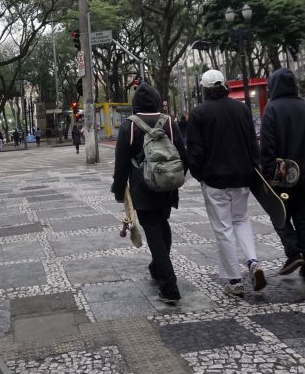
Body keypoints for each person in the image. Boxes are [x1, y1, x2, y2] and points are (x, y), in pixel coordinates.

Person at [187, 70, 266, 296]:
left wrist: (199, 173)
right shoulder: (240, 109)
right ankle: (253, 261)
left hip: (215, 179)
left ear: (204, 88)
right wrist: (254, 165)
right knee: (241, 220)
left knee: (223, 228)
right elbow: (252, 141)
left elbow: (195, 149)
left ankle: (234, 280)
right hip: (243, 177)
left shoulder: (199, 113)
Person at [111, 82, 186, 304]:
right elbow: (183, 155)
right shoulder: (169, 123)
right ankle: (157, 266)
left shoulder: (129, 126)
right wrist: (174, 180)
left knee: (153, 231)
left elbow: (121, 164)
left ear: (135, 104)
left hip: (142, 188)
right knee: (162, 224)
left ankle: (169, 287)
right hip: (168, 186)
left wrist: (119, 191)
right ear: (156, 100)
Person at [261, 68, 305, 282]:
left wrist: (268, 175)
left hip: (281, 176)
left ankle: (294, 252)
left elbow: (267, 146)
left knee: (279, 215)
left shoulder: (272, 109)